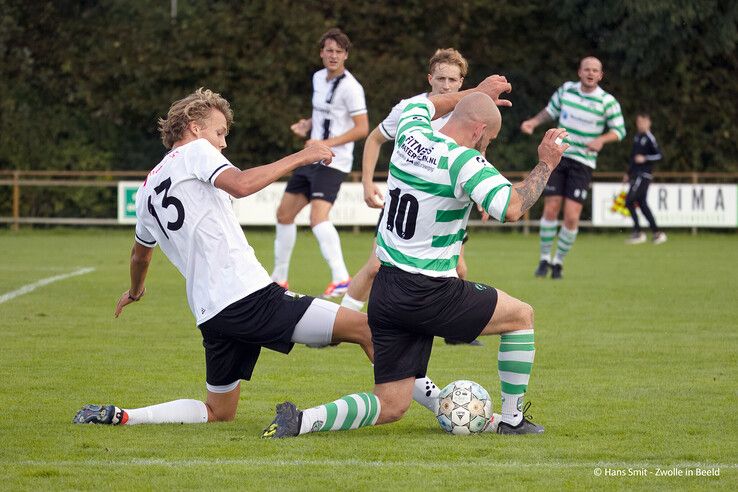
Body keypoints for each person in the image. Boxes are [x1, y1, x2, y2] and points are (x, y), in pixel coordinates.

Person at [262, 76, 570, 439]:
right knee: (521, 316)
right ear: (479, 130)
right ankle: (512, 420)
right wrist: (546, 164)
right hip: (430, 291)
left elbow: (420, 104)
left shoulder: (411, 133)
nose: (484, 148)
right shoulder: (463, 162)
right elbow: (513, 207)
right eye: (487, 142)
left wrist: (472, 94)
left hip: (388, 289)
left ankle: (302, 420)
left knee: (391, 405)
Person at [72, 88, 376, 426]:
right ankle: (427, 399)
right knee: (367, 328)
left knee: (218, 412)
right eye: (219, 132)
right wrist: (300, 157)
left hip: (211, 313)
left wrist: (135, 291)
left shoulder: (145, 192)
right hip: (248, 296)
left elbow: (139, 256)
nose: (223, 144)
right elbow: (242, 185)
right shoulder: (196, 152)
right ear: (194, 127)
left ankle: (125, 416)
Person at [341, 48, 482, 346]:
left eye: (452, 80)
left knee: (459, 268)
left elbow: (476, 155)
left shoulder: (470, 112)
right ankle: (340, 324)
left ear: (462, 81)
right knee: (376, 266)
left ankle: (458, 334)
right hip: (406, 203)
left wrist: (480, 196)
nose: (446, 85)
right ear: (430, 78)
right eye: (440, 78)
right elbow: (374, 138)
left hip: (445, 206)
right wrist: (367, 183)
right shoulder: (411, 108)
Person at [271, 28, 369, 297]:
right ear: (321, 53)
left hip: (333, 161)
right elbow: (324, 115)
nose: (333, 55)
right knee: (284, 214)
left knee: (318, 218)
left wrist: (326, 144)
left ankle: (341, 279)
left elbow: (362, 128)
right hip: (310, 156)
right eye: (329, 50)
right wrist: (307, 125)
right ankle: (278, 279)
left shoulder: (351, 87)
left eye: (338, 51)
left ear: (346, 55)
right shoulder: (318, 78)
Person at [521, 56, 626, 279]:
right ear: (579, 72)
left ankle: (558, 262)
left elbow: (620, 130)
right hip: (559, 156)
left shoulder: (607, 102)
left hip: (584, 162)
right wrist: (533, 122)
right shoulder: (567, 90)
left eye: (595, 70)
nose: (590, 73)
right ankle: (544, 259)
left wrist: (602, 140)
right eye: (586, 69)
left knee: (571, 216)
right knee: (551, 207)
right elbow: (550, 111)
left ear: (600, 75)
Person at [624, 112, 667, 244]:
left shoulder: (649, 138)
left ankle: (638, 232)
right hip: (636, 174)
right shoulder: (637, 137)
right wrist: (628, 172)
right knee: (642, 204)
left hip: (644, 175)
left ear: (648, 122)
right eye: (638, 122)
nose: (639, 125)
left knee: (629, 200)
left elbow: (660, 155)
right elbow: (633, 157)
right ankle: (657, 233)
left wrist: (645, 158)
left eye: (641, 122)